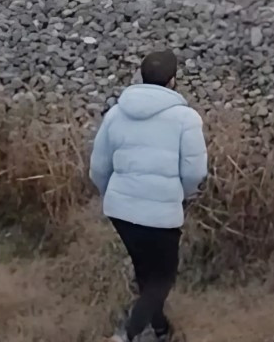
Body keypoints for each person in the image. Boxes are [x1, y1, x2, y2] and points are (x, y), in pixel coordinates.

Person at [89, 50, 208, 342]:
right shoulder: (186, 118)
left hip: (120, 211)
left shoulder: (116, 113)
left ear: (141, 77)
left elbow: (98, 167)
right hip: (162, 213)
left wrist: (112, 195)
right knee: (163, 279)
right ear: (173, 80)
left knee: (146, 272)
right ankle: (125, 335)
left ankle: (160, 330)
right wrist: (183, 196)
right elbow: (195, 172)